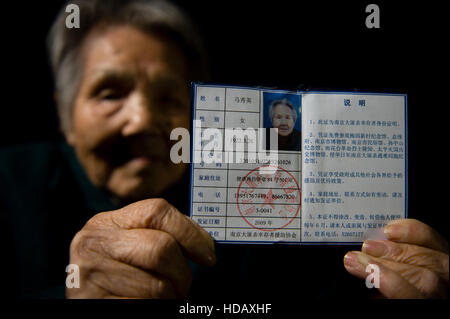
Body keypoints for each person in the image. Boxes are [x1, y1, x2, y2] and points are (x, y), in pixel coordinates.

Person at [0, 0, 447, 300]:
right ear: (64, 115)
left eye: (170, 98)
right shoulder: (8, 187)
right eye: (109, 93)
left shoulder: (258, 212)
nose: (142, 121)